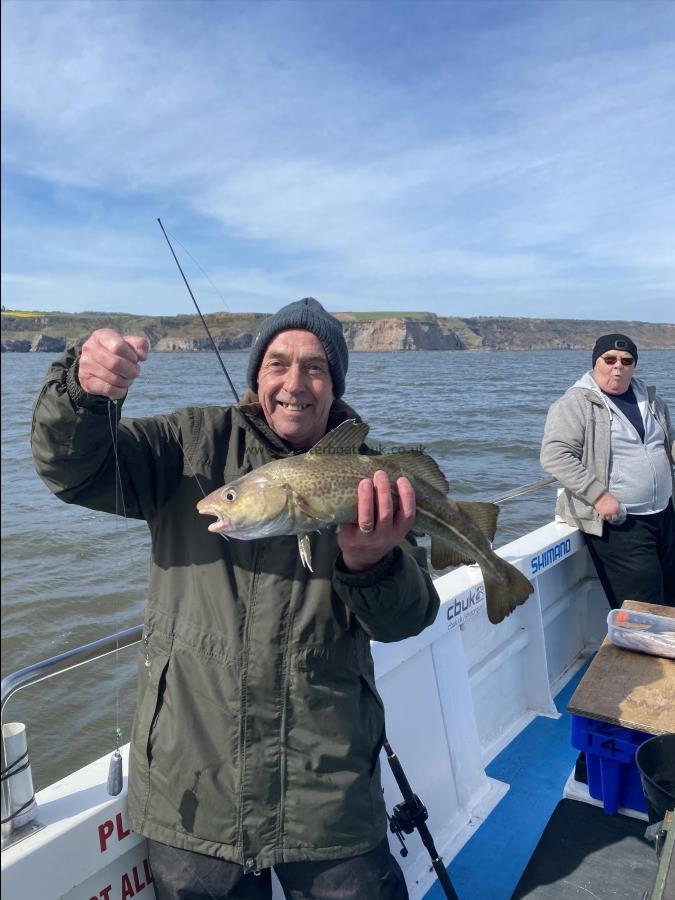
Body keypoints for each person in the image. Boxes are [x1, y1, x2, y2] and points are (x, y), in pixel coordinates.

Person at [31, 297, 440, 900]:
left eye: (315, 368)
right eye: (277, 364)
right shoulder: (187, 446)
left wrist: (370, 561)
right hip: (194, 792)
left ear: (335, 386)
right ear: (255, 377)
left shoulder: (371, 478)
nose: (294, 384)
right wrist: (83, 393)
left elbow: (410, 618)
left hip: (329, 795)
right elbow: (75, 469)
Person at [540, 333, 675, 608]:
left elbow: (667, 441)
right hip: (620, 522)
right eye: (610, 359)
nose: (618, 366)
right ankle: (643, 651)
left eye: (627, 361)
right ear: (596, 362)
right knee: (644, 609)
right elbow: (555, 455)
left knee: (670, 595)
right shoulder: (576, 403)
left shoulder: (650, 399)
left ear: (634, 366)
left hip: (664, 514)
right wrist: (599, 496)